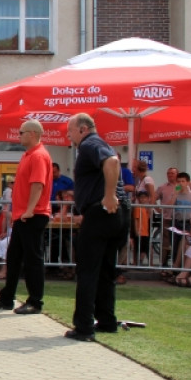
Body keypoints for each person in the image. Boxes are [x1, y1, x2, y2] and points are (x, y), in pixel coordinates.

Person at [64, 113, 131, 341]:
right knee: (105, 270)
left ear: (82, 129)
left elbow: (112, 162)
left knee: (88, 271)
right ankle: (107, 320)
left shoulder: (91, 143)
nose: (68, 136)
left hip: (102, 212)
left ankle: (83, 327)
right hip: (114, 215)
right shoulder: (99, 144)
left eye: (70, 131)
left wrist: (109, 195)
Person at [0, 120, 53, 314]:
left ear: (32, 134)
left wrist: (30, 209)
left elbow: (37, 185)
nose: (18, 136)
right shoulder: (28, 155)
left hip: (33, 214)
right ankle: (7, 297)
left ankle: (35, 301)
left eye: (21, 132)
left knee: (33, 259)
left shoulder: (38, 155)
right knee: (14, 257)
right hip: (24, 215)